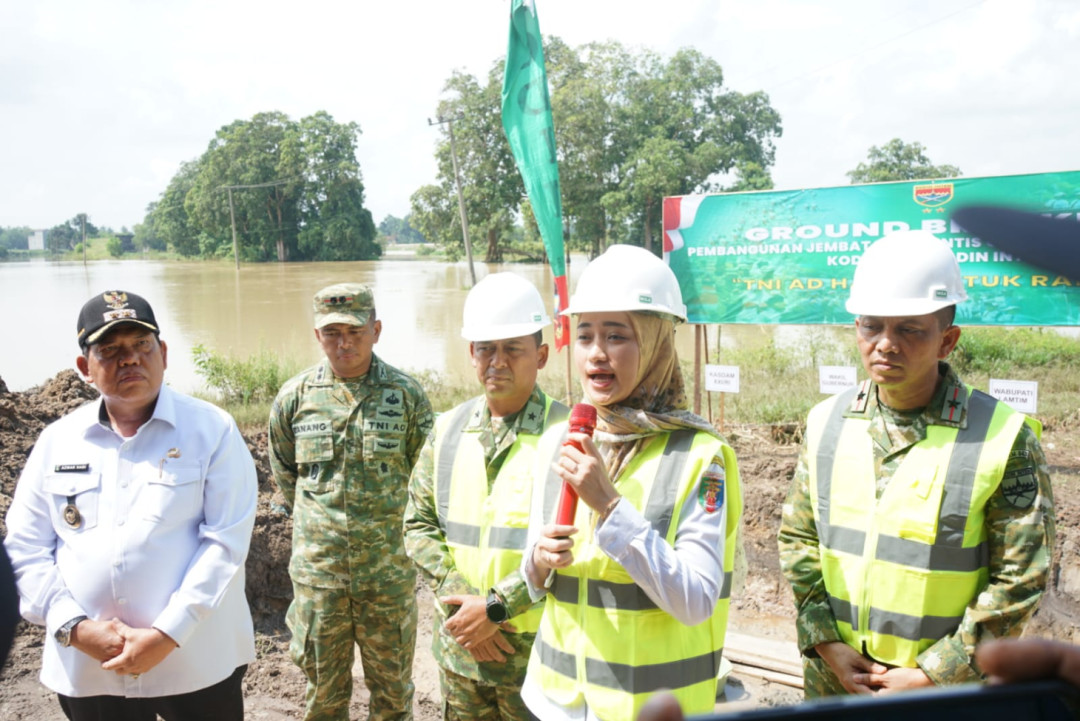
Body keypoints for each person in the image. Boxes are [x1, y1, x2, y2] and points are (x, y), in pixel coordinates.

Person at [777, 230, 1055, 697]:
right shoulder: (826, 421)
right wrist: (825, 642)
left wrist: (936, 671)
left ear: (947, 341)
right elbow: (799, 540)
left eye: (909, 329)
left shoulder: (1001, 437)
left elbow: (1021, 579)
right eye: (872, 326)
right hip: (835, 682)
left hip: (941, 694)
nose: (886, 344)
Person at [4, 290, 257, 721]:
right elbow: (26, 548)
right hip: (90, 662)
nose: (130, 359)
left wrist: (166, 633)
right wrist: (75, 627)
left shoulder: (212, 430)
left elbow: (226, 543)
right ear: (85, 368)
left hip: (195, 657)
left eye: (142, 345)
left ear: (163, 353)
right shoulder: (57, 441)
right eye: (111, 349)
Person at [520, 244, 743, 720]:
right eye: (585, 336)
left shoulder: (701, 457)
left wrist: (611, 507)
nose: (597, 354)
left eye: (617, 336)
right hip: (555, 702)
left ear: (657, 341)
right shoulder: (559, 438)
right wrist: (538, 562)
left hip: (650, 707)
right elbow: (535, 575)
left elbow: (696, 600)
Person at [404, 272, 567, 720]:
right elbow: (417, 524)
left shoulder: (568, 436)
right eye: (485, 349)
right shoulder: (448, 430)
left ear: (542, 355)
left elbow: (572, 547)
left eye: (513, 348)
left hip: (535, 657)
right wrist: (465, 605)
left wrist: (495, 609)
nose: (497, 361)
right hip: (461, 651)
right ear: (471, 355)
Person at [268, 283, 434, 721]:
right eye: (332, 333)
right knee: (323, 696)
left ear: (376, 330)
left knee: (394, 696)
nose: (343, 343)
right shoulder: (294, 398)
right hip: (320, 579)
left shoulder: (407, 396)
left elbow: (425, 480)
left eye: (355, 332)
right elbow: (287, 475)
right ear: (317, 335)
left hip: (387, 578)